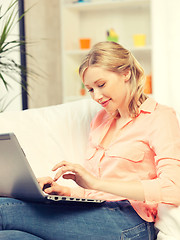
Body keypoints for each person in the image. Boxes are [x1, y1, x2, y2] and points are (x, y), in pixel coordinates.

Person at [0, 41, 180, 240]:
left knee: (3, 210)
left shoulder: (160, 117)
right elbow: (96, 196)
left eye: (101, 85)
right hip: (97, 214)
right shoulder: (101, 121)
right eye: (91, 89)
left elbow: (173, 188)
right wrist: (65, 191)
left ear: (126, 73)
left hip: (131, 223)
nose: (97, 96)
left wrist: (96, 183)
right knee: (10, 236)